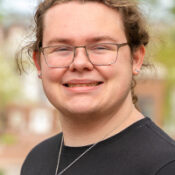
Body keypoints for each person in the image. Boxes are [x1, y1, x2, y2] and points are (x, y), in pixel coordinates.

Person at [20, 0, 175, 174]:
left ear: (136, 59)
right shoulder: (37, 159)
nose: (79, 63)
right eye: (61, 48)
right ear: (39, 63)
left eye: (100, 47)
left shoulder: (166, 166)